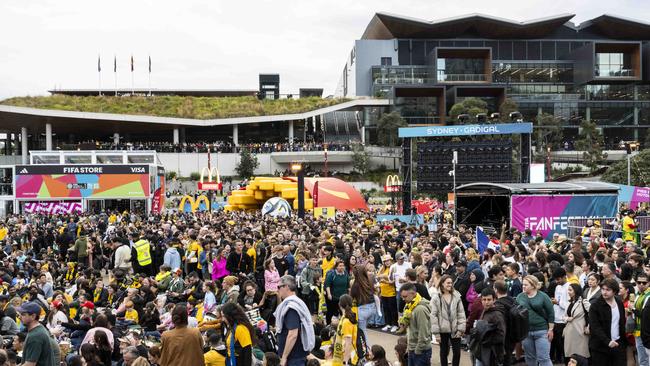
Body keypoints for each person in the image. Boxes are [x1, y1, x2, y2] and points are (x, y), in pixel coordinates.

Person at [274, 275, 314, 366]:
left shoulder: (291, 307)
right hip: (294, 356)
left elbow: (293, 334)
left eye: (279, 287)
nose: (278, 290)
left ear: (287, 287)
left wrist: (284, 357)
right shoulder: (296, 303)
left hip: (293, 357)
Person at [516, 275, 554, 366]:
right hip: (526, 332)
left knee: (543, 358)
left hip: (541, 330)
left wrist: (551, 329)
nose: (523, 286)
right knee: (529, 358)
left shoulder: (543, 296)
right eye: (523, 284)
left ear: (533, 285)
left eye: (526, 285)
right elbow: (516, 313)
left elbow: (551, 313)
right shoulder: (520, 297)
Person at [589, 278, 626, 366]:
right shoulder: (595, 305)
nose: (604, 292)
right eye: (603, 289)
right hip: (600, 348)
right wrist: (608, 341)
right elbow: (595, 327)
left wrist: (622, 343)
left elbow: (621, 323)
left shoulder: (619, 302)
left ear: (614, 291)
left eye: (608, 290)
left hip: (617, 344)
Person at [431, 274, 465, 366]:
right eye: (448, 283)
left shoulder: (456, 296)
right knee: (444, 353)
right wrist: (436, 334)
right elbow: (433, 316)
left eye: (451, 283)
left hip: (455, 329)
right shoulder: (436, 298)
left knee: (457, 353)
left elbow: (461, 313)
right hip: (442, 330)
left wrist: (461, 328)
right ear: (442, 284)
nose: (450, 284)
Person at [399, 283, 432, 366]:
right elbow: (407, 327)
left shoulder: (420, 309)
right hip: (412, 348)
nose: (403, 299)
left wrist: (418, 350)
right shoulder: (408, 306)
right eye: (402, 297)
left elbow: (423, 332)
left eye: (405, 296)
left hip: (421, 351)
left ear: (413, 294)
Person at [474, 287, 506, 366]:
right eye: (484, 300)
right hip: (481, 351)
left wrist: (485, 339)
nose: (486, 302)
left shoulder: (497, 315)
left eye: (489, 300)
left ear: (494, 300)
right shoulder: (485, 311)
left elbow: (501, 335)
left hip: (493, 353)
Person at [18, 301, 56, 366]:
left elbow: (30, 364)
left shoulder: (36, 336)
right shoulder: (38, 329)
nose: (19, 317)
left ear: (33, 316)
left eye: (23, 314)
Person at [563, 283, 590, 360]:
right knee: (570, 355)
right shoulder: (569, 302)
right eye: (568, 290)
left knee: (581, 355)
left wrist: (588, 326)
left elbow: (592, 313)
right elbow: (564, 316)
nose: (568, 292)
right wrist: (567, 319)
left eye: (570, 290)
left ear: (576, 290)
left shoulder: (583, 301)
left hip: (580, 331)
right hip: (569, 332)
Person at [350, 264, 377, 339]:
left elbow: (351, 298)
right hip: (372, 308)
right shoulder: (369, 280)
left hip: (363, 309)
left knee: (362, 332)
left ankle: (366, 349)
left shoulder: (355, 285)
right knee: (364, 329)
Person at [493, 280, 517, 366]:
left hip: (503, 337)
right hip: (513, 335)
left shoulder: (498, 304)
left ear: (495, 290)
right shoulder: (513, 301)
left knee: (502, 361)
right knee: (508, 359)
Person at [332, 294, 359, 366]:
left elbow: (348, 343)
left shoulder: (346, 321)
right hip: (343, 354)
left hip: (347, 357)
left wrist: (345, 362)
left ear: (339, 304)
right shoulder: (345, 317)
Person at [324, 259, 350, 324]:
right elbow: (327, 285)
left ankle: (342, 325)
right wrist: (329, 294)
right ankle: (328, 324)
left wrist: (349, 295)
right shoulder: (332, 274)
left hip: (342, 297)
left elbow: (348, 285)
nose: (342, 267)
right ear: (336, 267)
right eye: (340, 266)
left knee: (343, 312)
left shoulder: (346, 274)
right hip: (333, 297)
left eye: (343, 266)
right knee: (330, 312)